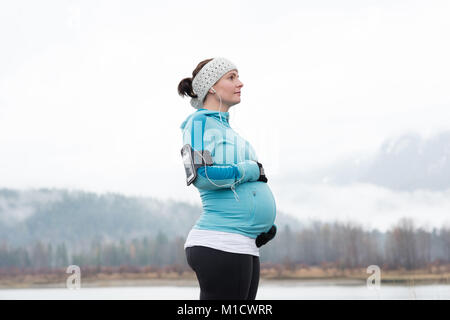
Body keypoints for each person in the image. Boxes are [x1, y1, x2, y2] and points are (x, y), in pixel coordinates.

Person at [177, 57, 277, 300]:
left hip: (244, 241)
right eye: (231, 77)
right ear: (211, 86)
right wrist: (249, 170)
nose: (240, 83)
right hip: (220, 241)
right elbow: (201, 176)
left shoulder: (230, 131)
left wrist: (265, 225)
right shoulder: (198, 123)